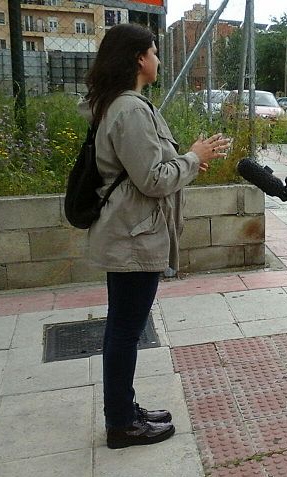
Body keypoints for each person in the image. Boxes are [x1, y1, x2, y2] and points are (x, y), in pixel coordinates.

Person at [80, 23, 231, 448]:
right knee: (126, 330)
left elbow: (147, 170)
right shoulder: (129, 109)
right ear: (138, 59)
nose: (159, 59)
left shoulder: (125, 104)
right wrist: (192, 157)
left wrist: (187, 158)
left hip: (132, 233)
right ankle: (121, 424)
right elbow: (153, 178)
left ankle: (125, 410)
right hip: (133, 236)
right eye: (154, 52)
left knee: (124, 327)